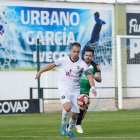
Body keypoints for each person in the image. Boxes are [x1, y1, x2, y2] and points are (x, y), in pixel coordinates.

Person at [35, 42, 97, 138]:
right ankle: (63, 124)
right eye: (74, 51)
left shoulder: (82, 64)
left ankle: (69, 131)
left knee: (74, 116)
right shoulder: (63, 60)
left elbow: (89, 76)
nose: (76, 53)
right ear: (70, 51)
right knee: (67, 107)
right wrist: (40, 72)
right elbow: (51, 65)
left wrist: (92, 87)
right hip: (64, 88)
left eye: (78, 52)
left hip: (76, 90)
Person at [75, 47, 102, 134]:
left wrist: (92, 76)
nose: (88, 57)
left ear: (93, 57)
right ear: (83, 55)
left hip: (85, 91)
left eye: (90, 56)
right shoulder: (78, 63)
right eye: (86, 55)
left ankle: (74, 124)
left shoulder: (95, 66)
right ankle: (76, 124)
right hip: (75, 89)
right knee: (76, 110)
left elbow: (99, 79)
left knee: (83, 113)